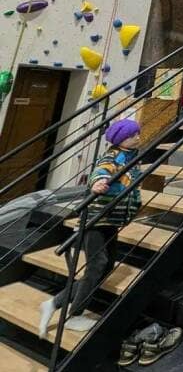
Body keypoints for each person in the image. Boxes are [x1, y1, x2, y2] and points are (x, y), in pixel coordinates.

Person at [39, 118, 144, 337]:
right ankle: (74, 315)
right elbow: (102, 170)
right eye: (133, 135)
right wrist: (98, 182)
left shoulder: (132, 156)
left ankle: (54, 303)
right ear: (121, 139)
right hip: (96, 218)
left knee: (106, 266)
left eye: (137, 133)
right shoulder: (113, 156)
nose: (138, 137)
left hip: (110, 219)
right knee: (97, 265)